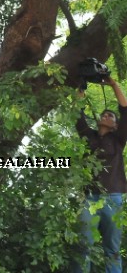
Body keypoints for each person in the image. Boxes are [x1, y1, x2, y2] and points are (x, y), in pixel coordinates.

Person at [73, 76, 127, 273]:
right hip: (89, 197)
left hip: (113, 198)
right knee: (83, 245)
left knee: (112, 248)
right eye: (104, 114)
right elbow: (77, 114)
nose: (106, 115)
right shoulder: (88, 136)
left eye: (111, 116)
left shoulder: (119, 139)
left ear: (115, 125)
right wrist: (81, 87)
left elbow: (125, 109)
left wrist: (113, 84)